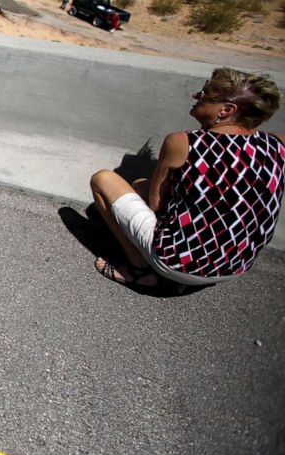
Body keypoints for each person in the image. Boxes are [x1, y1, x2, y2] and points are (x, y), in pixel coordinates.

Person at [90, 68, 285, 289]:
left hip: (176, 263)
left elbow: (156, 203)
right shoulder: (278, 144)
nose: (196, 96)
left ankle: (137, 268)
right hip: (237, 266)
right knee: (139, 187)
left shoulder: (183, 142)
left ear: (227, 110)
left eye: (205, 93)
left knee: (103, 179)